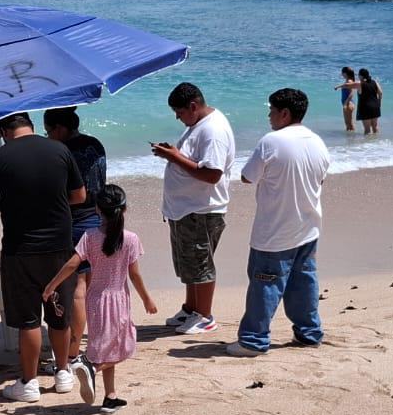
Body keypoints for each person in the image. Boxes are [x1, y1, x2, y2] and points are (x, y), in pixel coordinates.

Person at [0, 112, 86, 403]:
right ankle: (63, 373)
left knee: (28, 320)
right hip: (60, 247)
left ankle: (29, 382)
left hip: (20, 249)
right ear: (31, 125)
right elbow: (80, 196)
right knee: (58, 313)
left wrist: (11, 200)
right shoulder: (60, 149)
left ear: (1, 129)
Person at [227, 88, 331, 358]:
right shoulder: (317, 142)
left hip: (275, 230)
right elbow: (320, 180)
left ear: (285, 113)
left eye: (272, 110)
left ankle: (253, 340)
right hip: (308, 227)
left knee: (265, 284)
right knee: (303, 282)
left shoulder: (272, 142)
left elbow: (248, 177)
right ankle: (309, 333)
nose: (269, 115)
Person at [43, 185, 156, 413]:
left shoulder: (91, 237)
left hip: (94, 300)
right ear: (124, 209)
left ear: (97, 209)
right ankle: (92, 369)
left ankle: (110, 396)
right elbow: (134, 274)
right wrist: (147, 298)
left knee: (106, 347)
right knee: (125, 346)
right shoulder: (130, 239)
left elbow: (73, 264)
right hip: (118, 300)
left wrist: (51, 285)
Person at [151, 82, 235, 335]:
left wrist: (173, 157)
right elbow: (194, 161)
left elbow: (212, 174)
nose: (177, 117)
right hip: (187, 209)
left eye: (179, 111)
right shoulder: (198, 125)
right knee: (188, 264)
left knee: (200, 264)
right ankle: (191, 309)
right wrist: (173, 154)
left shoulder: (213, 130)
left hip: (202, 210)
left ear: (193, 106)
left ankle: (205, 316)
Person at [43, 106, 106, 396]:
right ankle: (90, 344)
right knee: (91, 286)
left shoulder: (62, 153)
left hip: (75, 220)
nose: (48, 136)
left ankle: (71, 353)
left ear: (59, 129)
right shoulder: (95, 144)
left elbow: (66, 194)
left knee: (77, 287)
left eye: (48, 131)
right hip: (99, 218)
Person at [355, 68, 383, 135]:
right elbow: (380, 93)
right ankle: (376, 143)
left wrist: (341, 86)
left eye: (358, 75)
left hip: (365, 108)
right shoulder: (374, 82)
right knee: (375, 127)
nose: (358, 76)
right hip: (375, 107)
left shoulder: (360, 84)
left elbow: (349, 85)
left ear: (361, 76)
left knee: (367, 129)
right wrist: (379, 103)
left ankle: (368, 145)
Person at [333, 66, 358, 132]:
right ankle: (349, 140)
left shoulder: (349, 81)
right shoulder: (348, 81)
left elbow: (352, 93)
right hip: (348, 104)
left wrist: (346, 103)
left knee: (349, 124)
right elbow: (346, 86)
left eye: (342, 73)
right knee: (348, 124)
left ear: (345, 73)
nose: (341, 74)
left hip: (348, 104)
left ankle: (352, 139)